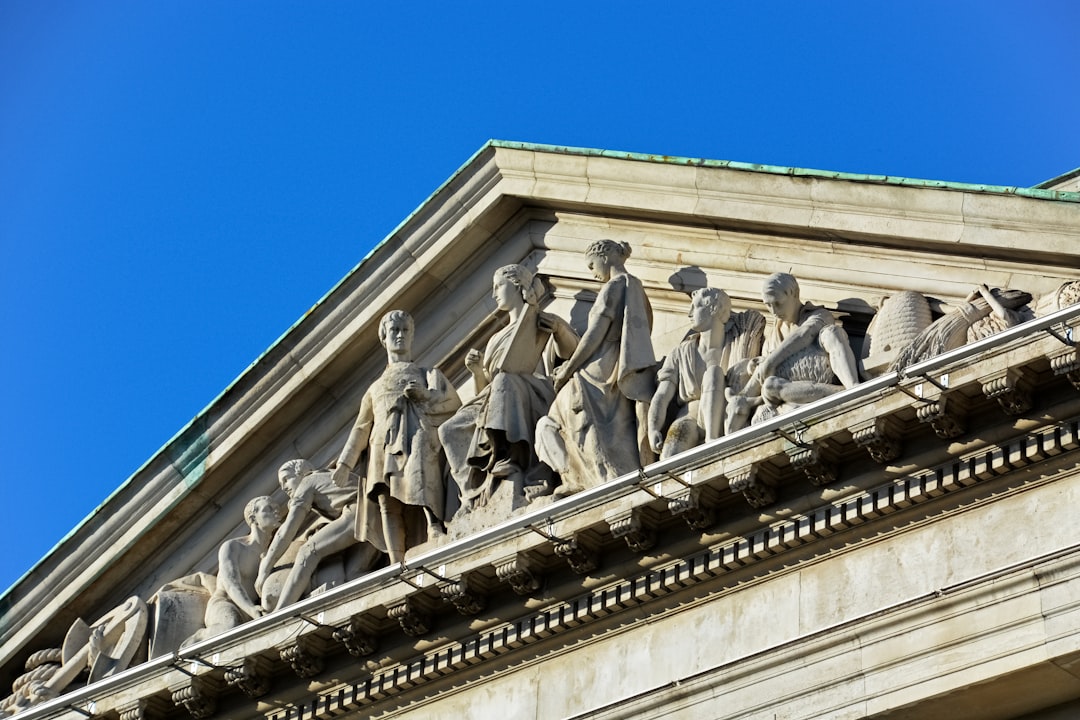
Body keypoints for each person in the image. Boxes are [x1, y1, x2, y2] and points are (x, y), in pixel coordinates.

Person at [439, 265, 576, 507]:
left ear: (517, 286)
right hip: (496, 398)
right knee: (448, 430)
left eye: (498, 286)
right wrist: (477, 372)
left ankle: (509, 458)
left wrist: (559, 330)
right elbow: (488, 387)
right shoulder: (494, 339)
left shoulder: (539, 321)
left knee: (505, 381)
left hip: (534, 394)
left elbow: (573, 353)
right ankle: (473, 495)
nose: (493, 294)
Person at [331, 310, 461, 563]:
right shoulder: (375, 388)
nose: (400, 336)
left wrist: (424, 395)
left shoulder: (427, 373)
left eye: (405, 331)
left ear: (412, 336)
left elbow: (451, 402)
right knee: (385, 501)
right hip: (381, 445)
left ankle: (434, 526)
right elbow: (361, 426)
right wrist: (345, 463)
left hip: (417, 437)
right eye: (394, 331)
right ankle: (395, 558)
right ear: (384, 339)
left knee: (422, 480)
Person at [535, 240, 656, 496]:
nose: (592, 272)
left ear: (605, 255)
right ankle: (589, 476)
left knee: (564, 420)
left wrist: (568, 369)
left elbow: (594, 336)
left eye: (592, 265)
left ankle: (588, 478)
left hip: (599, 367)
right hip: (613, 365)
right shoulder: (634, 287)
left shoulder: (614, 286)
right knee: (569, 422)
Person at [648, 288, 764, 459]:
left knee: (714, 373)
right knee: (668, 459)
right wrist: (653, 428)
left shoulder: (737, 343)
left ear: (714, 309)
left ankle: (712, 441)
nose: (689, 313)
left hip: (725, 416)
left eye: (695, 307)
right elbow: (662, 395)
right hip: (690, 416)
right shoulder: (680, 353)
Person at [256, 459, 369, 611]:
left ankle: (281, 612)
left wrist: (266, 566)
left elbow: (287, 531)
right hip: (371, 515)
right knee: (353, 575)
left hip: (359, 514)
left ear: (300, 473)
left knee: (307, 551)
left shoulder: (308, 481)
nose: (284, 487)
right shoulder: (324, 478)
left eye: (286, 480)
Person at [183, 496, 282, 645]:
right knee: (231, 625)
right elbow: (231, 583)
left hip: (252, 612)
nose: (275, 512)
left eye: (276, 509)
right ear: (253, 518)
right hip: (225, 605)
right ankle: (200, 637)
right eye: (268, 509)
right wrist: (250, 609)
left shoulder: (270, 555)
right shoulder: (233, 547)